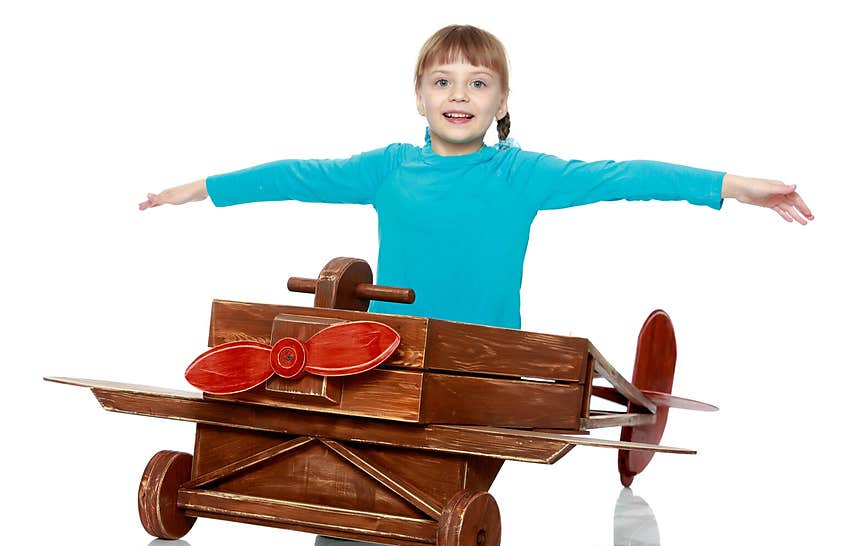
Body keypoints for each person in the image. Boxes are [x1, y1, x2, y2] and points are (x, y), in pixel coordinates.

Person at [139, 24, 812, 330]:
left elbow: (624, 175)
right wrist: (200, 187)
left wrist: (731, 185)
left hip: (480, 354)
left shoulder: (523, 174)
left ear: (501, 102)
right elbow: (296, 173)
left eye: (477, 81)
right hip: (391, 348)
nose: (459, 93)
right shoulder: (386, 168)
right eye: (443, 80)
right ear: (420, 97)